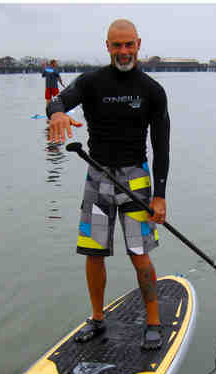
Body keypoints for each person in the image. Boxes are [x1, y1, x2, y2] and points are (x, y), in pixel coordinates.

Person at [46, 19, 170, 349]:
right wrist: (56, 113)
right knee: (94, 252)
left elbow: (162, 146)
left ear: (139, 44)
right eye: (117, 45)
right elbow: (58, 101)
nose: (124, 51)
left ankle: (153, 322)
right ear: (107, 46)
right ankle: (98, 319)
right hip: (98, 177)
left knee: (139, 254)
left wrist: (160, 196)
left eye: (129, 44)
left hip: (136, 180)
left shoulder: (152, 91)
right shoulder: (90, 82)